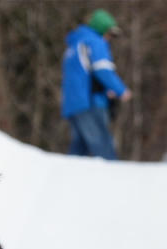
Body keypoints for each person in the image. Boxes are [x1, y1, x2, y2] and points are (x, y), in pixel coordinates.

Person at [61, 9, 130, 160]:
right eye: (109, 33)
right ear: (101, 30)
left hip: (72, 104)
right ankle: (115, 179)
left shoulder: (74, 45)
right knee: (103, 147)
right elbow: (102, 70)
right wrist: (120, 90)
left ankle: (65, 179)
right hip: (90, 103)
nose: (109, 38)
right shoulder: (94, 41)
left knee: (79, 149)